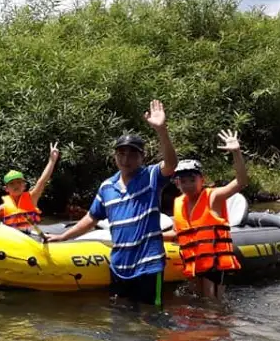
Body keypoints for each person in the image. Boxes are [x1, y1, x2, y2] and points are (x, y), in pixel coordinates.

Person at [45, 100, 178, 308]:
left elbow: (171, 164)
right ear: (115, 156)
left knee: (151, 321)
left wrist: (161, 130)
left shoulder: (151, 177)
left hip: (149, 266)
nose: (126, 159)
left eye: (132, 154)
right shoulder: (107, 187)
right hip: (119, 267)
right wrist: (63, 237)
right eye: (121, 153)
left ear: (142, 157)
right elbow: (91, 218)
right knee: (120, 324)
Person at [163, 130, 247, 300]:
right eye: (183, 181)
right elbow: (177, 233)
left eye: (192, 180)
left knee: (212, 303)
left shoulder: (213, 196)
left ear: (202, 179)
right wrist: (154, 236)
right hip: (194, 264)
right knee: (199, 303)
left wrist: (236, 153)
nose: (188, 185)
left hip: (215, 263)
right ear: (177, 183)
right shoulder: (178, 203)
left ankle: (219, 325)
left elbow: (241, 182)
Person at [0, 142, 60, 233]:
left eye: (19, 182)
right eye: (12, 184)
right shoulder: (3, 207)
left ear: (24, 186)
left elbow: (42, 181)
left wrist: (52, 161)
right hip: (14, 240)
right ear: (6, 189)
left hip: (31, 238)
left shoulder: (32, 198)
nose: (16, 185)